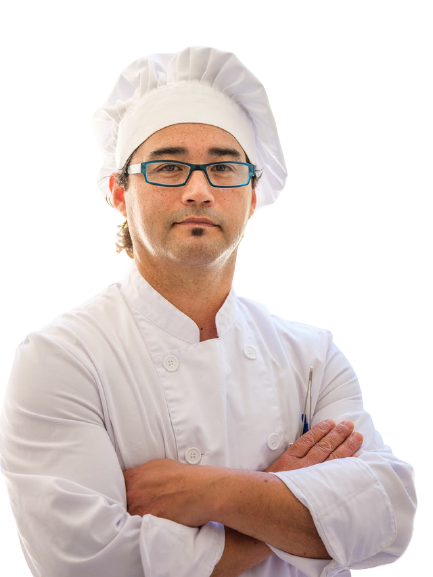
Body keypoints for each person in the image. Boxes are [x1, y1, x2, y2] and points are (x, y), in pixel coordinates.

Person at [0, 46, 416, 577]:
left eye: (223, 167)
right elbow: (83, 562)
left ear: (252, 194)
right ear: (120, 192)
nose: (198, 190)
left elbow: (387, 518)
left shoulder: (312, 356)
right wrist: (292, 502)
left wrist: (207, 491)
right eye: (169, 166)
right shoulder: (61, 358)